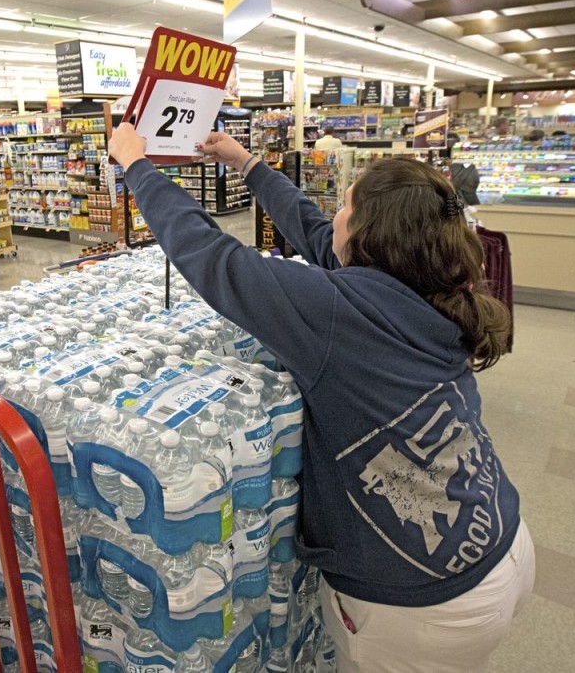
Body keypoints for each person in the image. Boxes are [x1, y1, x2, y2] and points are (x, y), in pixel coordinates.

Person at [108, 122, 533, 673]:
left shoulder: (336, 316)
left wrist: (139, 169)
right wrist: (247, 164)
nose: (332, 214)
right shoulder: (423, 285)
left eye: (345, 206)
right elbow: (313, 229)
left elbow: (216, 260)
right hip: (501, 537)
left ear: (367, 234)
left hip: (424, 596)